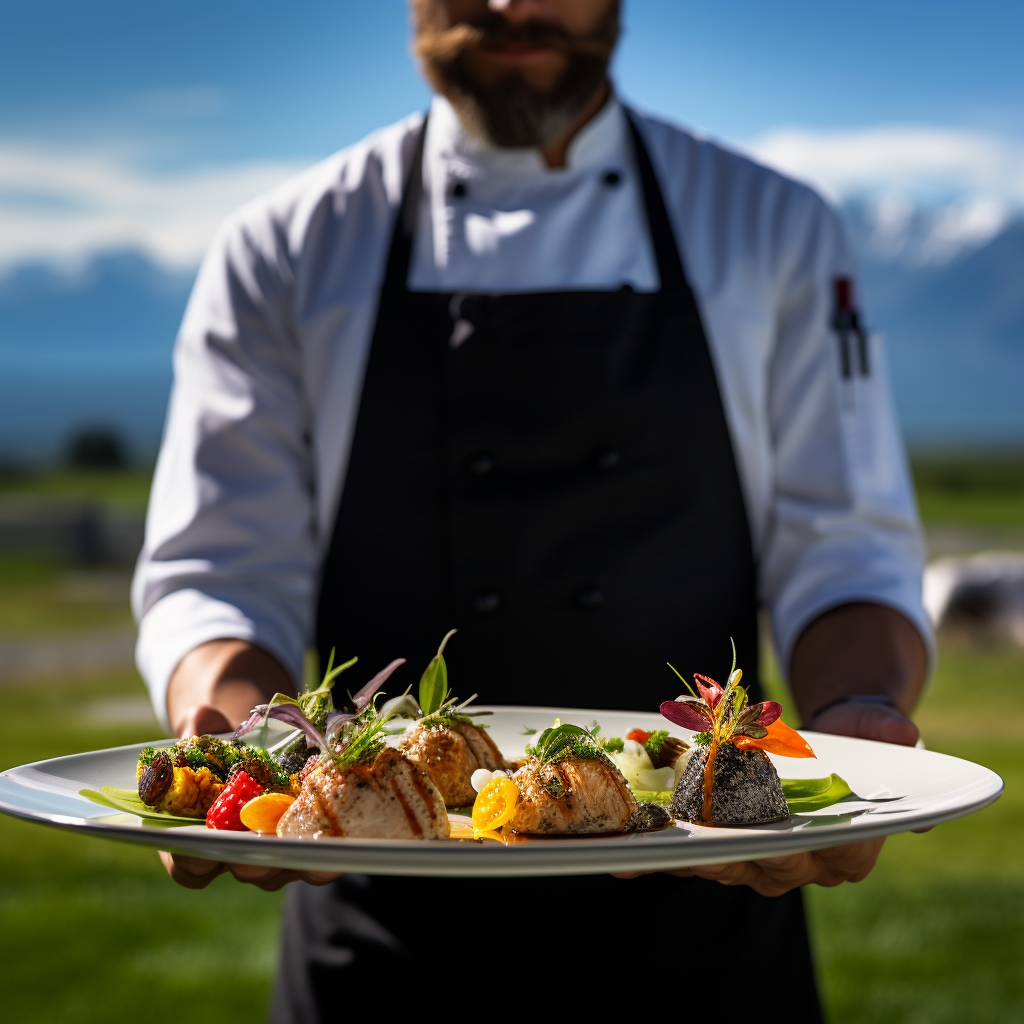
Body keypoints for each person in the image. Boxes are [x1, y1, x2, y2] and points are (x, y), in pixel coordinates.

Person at [132, 1, 931, 1019]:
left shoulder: (772, 225)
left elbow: (847, 552)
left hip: (710, 897)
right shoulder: (284, 246)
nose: (514, 2)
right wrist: (234, 739)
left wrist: (855, 723)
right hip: (376, 919)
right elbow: (220, 573)